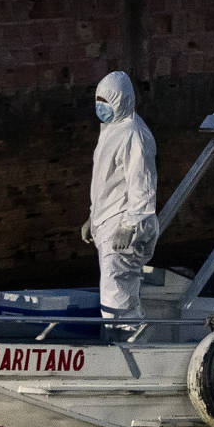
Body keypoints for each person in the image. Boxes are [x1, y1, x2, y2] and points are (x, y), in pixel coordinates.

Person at [79, 71, 160, 318]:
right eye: (99, 100)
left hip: (123, 228)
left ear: (120, 101)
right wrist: (92, 218)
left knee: (117, 296)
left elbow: (142, 185)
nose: (100, 106)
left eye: (106, 101)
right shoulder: (111, 129)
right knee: (116, 291)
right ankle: (125, 342)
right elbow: (107, 183)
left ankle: (124, 346)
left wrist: (130, 225)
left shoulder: (133, 134)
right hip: (109, 223)